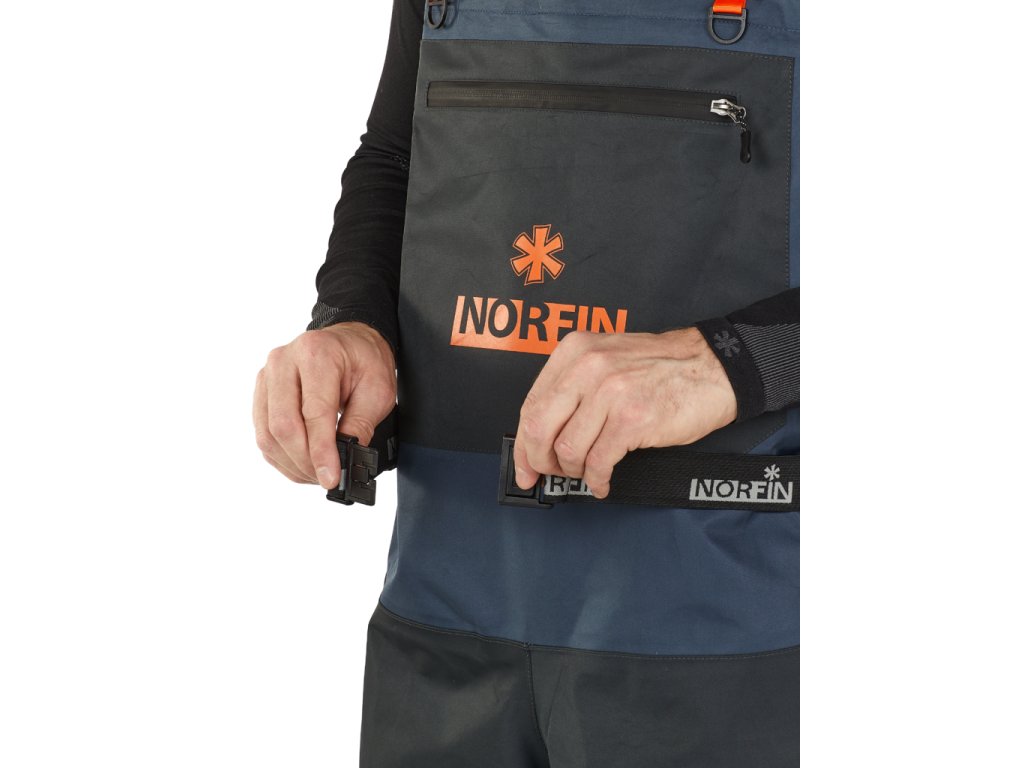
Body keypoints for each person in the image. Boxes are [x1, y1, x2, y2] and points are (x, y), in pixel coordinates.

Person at [254, 1, 799, 765]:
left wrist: (728, 360)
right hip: (442, 619)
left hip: (713, 630)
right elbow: (396, 153)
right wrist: (352, 318)